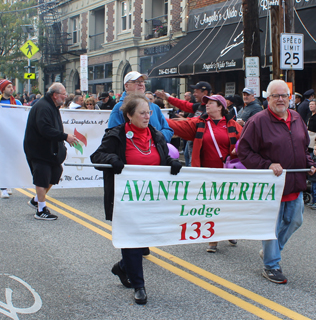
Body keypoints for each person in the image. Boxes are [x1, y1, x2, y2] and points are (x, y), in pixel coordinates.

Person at [91, 94, 182, 305]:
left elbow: (162, 157)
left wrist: (172, 163)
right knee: (133, 240)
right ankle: (139, 285)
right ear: (129, 115)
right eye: (142, 112)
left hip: (152, 197)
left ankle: (122, 267)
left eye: (149, 112)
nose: (147, 116)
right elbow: (97, 157)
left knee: (145, 237)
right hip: (126, 200)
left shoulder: (156, 135)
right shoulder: (116, 135)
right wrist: (111, 158)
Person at [238, 79, 316, 284]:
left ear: (290, 98)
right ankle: (271, 265)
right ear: (268, 98)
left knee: (296, 221)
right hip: (271, 186)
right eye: (276, 96)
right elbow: (243, 152)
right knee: (271, 226)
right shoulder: (257, 121)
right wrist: (267, 165)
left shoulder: (297, 117)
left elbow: (303, 146)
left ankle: (270, 251)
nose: (280, 99)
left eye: (284, 95)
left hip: (295, 182)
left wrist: (309, 163)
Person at [166, 94, 242, 253]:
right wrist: (154, 118)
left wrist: (239, 149)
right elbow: (177, 126)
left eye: (211, 103)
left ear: (221, 107)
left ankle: (229, 230)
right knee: (211, 205)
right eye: (206, 102)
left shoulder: (233, 125)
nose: (206, 105)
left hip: (228, 173)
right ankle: (213, 240)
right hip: (206, 174)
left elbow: (247, 142)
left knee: (227, 205)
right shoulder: (199, 123)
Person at [23, 83, 78, 220]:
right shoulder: (43, 107)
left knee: (55, 173)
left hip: (49, 150)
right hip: (39, 150)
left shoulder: (52, 106)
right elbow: (45, 129)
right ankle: (41, 210)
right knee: (42, 177)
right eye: (63, 94)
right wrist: (65, 137)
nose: (65, 97)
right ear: (55, 95)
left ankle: (36, 200)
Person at [108, 71, 174, 143]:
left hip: (156, 152)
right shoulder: (119, 108)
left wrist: (157, 138)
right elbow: (113, 135)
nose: (141, 84)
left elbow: (168, 130)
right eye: (137, 82)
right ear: (126, 86)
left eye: (142, 81)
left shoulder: (154, 107)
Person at [307, 100, 316, 211]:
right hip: (311, 145)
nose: (310, 106)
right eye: (310, 105)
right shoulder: (311, 116)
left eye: (313, 105)